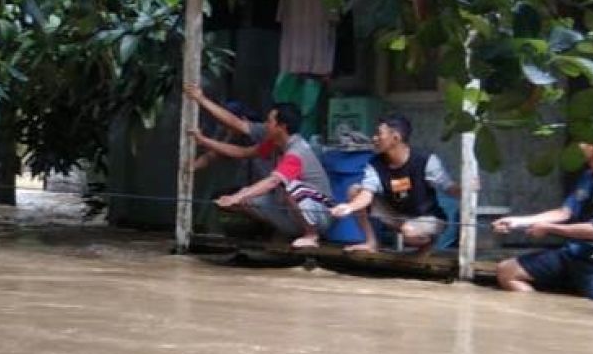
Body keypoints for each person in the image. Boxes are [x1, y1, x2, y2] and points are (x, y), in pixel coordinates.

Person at [493, 123, 593, 300]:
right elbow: (564, 212)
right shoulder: (589, 176)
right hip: (572, 253)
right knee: (506, 271)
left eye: (580, 142)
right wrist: (517, 221)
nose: (576, 148)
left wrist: (549, 228)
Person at [189, 100, 334, 249]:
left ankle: (312, 235)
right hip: (291, 210)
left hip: (319, 215)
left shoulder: (296, 152)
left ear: (281, 127)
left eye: (270, 121)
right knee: (246, 200)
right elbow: (243, 152)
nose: (265, 124)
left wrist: (237, 196)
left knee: (290, 188)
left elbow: (273, 181)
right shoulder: (275, 143)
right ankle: (290, 232)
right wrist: (204, 141)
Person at [330, 114, 460, 253]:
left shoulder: (425, 160)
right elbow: (366, 194)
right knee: (354, 190)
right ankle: (371, 242)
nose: (374, 138)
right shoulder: (375, 163)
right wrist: (348, 207)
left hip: (429, 219)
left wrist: (467, 189)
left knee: (409, 231)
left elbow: (449, 188)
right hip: (396, 217)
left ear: (396, 138)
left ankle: (428, 243)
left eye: (379, 134)